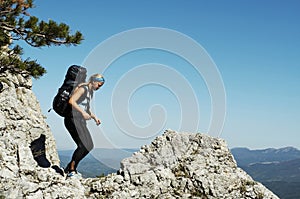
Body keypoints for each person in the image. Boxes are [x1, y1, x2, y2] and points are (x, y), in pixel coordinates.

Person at [64, 74, 105, 178]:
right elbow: (71, 101)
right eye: (99, 85)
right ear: (94, 81)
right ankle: (71, 170)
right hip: (72, 120)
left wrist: (95, 117)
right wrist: (82, 113)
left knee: (89, 145)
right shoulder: (83, 89)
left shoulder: (90, 92)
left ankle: (70, 167)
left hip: (79, 121)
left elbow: (86, 108)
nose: (99, 88)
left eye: (101, 86)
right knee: (82, 145)